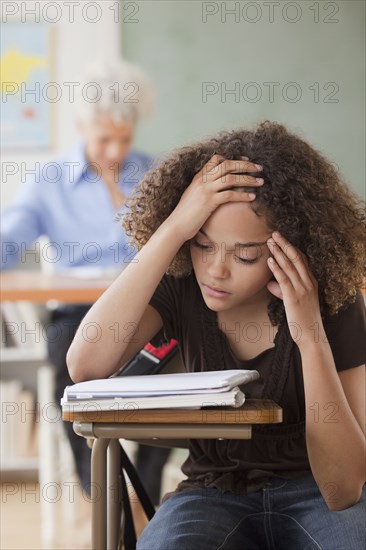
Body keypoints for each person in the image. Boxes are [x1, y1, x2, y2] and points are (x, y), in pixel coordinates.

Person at [67, 120, 366, 549]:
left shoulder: (331, 299)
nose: (215, 270)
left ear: (293, 249)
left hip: (316, 493)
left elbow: (343, 490)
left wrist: (311, 336)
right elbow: (85, 364)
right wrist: (173, 230)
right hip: (211, 492)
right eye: (203, 244)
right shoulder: (183, 279)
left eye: (245, 255)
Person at [0, 59, 171, 519]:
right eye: (103, 138)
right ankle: (105, 494)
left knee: (184, 357)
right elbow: (10, 240)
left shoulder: (156, 175)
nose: (114, 150)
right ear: (81, 125)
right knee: (66, 368)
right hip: (79, 315)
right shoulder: (49, 181)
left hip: (152, 313)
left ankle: (149, 488)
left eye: (124, 138)